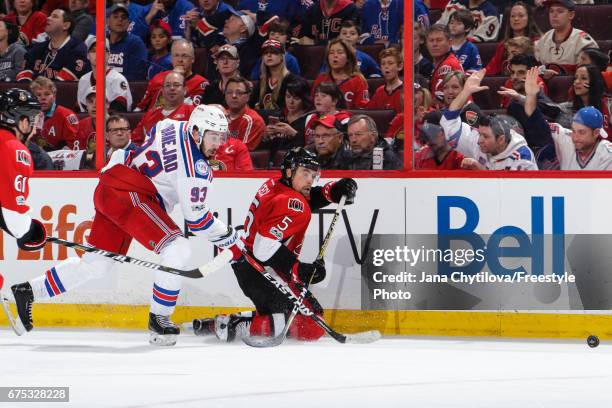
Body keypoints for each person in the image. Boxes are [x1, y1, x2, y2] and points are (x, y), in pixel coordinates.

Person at [9, 104, 246, 346]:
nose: (218, 144)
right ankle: (159, 319)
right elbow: (197, 220)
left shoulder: (171, 125)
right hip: (130, 194)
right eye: (212, 136)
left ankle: (29, 291)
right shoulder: (194, 169)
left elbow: (143, 144)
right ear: (196, 132)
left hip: (111, 186)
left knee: (96, 265)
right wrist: (232, 240)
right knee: (177, 248)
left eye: (221, 136)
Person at [192, 148, 357, 343]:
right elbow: (264, 247)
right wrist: (300, 270)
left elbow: (304, 199)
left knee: (288, 316)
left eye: (314, 175)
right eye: (305, 173)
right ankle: (233, 326)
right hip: (262, 271)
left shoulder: (274, 184)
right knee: (310, 326)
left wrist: (332, 190)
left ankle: (214, 324)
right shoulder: (292, 203)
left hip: (248, 267)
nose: (310, 180)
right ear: (289, 172)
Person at [440, 69, 538, 170]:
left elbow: (509, 186)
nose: (480, 140)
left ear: (501, 139)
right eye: (480, 134)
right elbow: (448, 121)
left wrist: (481, 171)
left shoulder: (522, 158)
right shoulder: (478, 142)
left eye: (485, 136)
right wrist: (466, 91)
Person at [522, 66, 612, 170]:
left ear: (595, 82)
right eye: (575, 78)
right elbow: (536, 119)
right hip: (575, 156)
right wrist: (530, 95)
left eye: (583, 78)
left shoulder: (609, 105)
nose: (577, 82)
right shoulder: (568, 108)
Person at [0, 89, 48, 257]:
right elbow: (14, 215)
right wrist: (29, 231)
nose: (34, 129)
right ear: (22, 121)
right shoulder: (13, 149)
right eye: (33, 120)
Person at [16, 9, 89, 82]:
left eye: (55, 16)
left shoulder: (78, 49)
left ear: (66, 25)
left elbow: (65, 83)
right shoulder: (38, 48)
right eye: (49, 16)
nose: (48, 18)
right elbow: (24, 75)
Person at [136, 39, 208, 111]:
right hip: (156, 119)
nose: (180, 60)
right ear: (171, 58)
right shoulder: (158, 78)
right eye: (176, 55)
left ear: (193, 59)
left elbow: (192, 112)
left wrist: (176, 78)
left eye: (184, 56)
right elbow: (141, 108)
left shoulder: (200, 84)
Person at [534, 0, 598, 76]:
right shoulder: (544, 39)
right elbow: (534, 68)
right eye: (551, 11)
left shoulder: (583, 41)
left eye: (560, 11)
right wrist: (542, 72)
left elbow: (590, 74)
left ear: (571, 15)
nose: (554, 15)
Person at [132, 71, 195, 144]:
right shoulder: (149, 115)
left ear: (185, 90)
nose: (172, 88)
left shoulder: (192, 112)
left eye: (176, 85)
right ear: (162, 91)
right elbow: (135, 141)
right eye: (168, 85)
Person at [485, 1, 541, 76]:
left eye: (521, 16)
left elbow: (541, 68)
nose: (516, 19)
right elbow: (490, 70)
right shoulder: (503, 45)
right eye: (512, 16)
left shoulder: (537, 43)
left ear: (528, 18)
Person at [78, 37, 132, 113]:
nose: (98, 54)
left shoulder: (118, 79)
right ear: (87, 55)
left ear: (109, 55)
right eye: (93, 51)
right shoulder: (83, 80)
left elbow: (120, 109)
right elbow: (80, 109)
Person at [313, 38, 370, 109]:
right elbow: (313, 105)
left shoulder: (359, 81)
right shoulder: (321, 79)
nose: (335, 55)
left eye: (340, 52)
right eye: (331, 52)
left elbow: (362, 109)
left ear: (348, 58)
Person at [30, 77, 80, 151]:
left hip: (59, 158)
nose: (43, 98)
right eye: (38, 95)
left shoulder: (66, 115)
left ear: (54, 96)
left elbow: (74, 145)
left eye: (47, 94)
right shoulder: (28, 115)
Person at [263, 77, 314, 150]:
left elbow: (310, 148)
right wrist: (266, 136)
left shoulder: (310, 119)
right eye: (288, 97)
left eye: (296, 98)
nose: (291, 102)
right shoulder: (279, 116)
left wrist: (294, 134)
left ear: (304, 99)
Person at [107, 3, 148, 81]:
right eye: (115, 17)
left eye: (124, 17)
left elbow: (138, 76)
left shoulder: (136, 43)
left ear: (129, 23)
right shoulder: (101, 42)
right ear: (108, 21)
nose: (120, 20)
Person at [254, 39, 297, 111]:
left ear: (281, 56)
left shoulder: (292, 80)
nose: (269, 55)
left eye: (274, 52)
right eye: (265, 53)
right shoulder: (261, 81)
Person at [225, 76, 266, 150]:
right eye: (229, 92)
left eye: (239, 93)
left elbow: (241, 152)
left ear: (248, 96)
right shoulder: (220, 116)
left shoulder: (253, 121)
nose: (234, 96)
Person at [426, 24, 463, 103]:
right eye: (431, 40)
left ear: (449, 43)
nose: (434, 44)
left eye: (439, 40)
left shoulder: (448, 65)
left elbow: (442, 101)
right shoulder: (440, 63)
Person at [435, 0, 500, 42]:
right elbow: (439, 27)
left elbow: (478, 41)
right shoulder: (454, 3)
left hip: (468, 52)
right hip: (445, 44)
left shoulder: (491, 15)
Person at [367, 47, 403, 113]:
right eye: (383, 64)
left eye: (390, 63)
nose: (386, 66)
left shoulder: (406, 91)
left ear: (400, 66)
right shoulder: (379, 91)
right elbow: (371, 114)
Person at [447, 9, 482, 73]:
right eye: (451, 23)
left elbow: (476, 69)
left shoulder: (471, 48)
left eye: (459, 23)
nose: (453, 25)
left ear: (467, 28)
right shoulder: (445, 46)